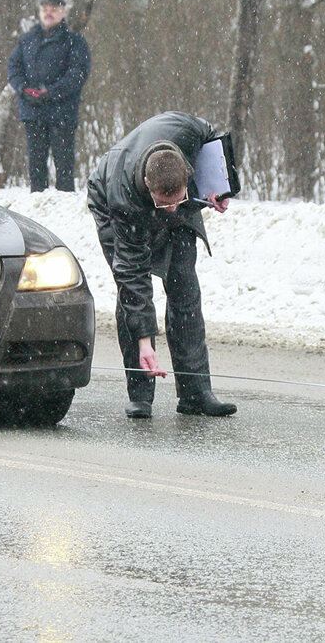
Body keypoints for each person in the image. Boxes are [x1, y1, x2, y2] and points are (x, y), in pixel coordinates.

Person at [86, 112, 237, 419]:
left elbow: (213, 139)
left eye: (174, 200)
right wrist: (145, 341)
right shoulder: (124, 194)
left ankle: (195, 392)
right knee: (131, 292)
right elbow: (132, 276)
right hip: (110, 204)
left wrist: (219, 188)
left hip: (178, 193)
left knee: (185, 286)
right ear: (147, 184)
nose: (169, 210)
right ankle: (140, 391)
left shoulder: (186, 129)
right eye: (162, 203)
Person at [7, 0, 91, 192]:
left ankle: (64, 204)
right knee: (36, 165)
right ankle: (37, 202)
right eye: (44, 9)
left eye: (54, 9)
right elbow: (13, 67)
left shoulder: (75, 42)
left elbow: (77, 75)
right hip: (32, 111)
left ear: (63, 13)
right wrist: (23, 89)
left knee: (64, 166)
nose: (48, 13)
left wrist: (51, 93)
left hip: (62, 113)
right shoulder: (27, 40)